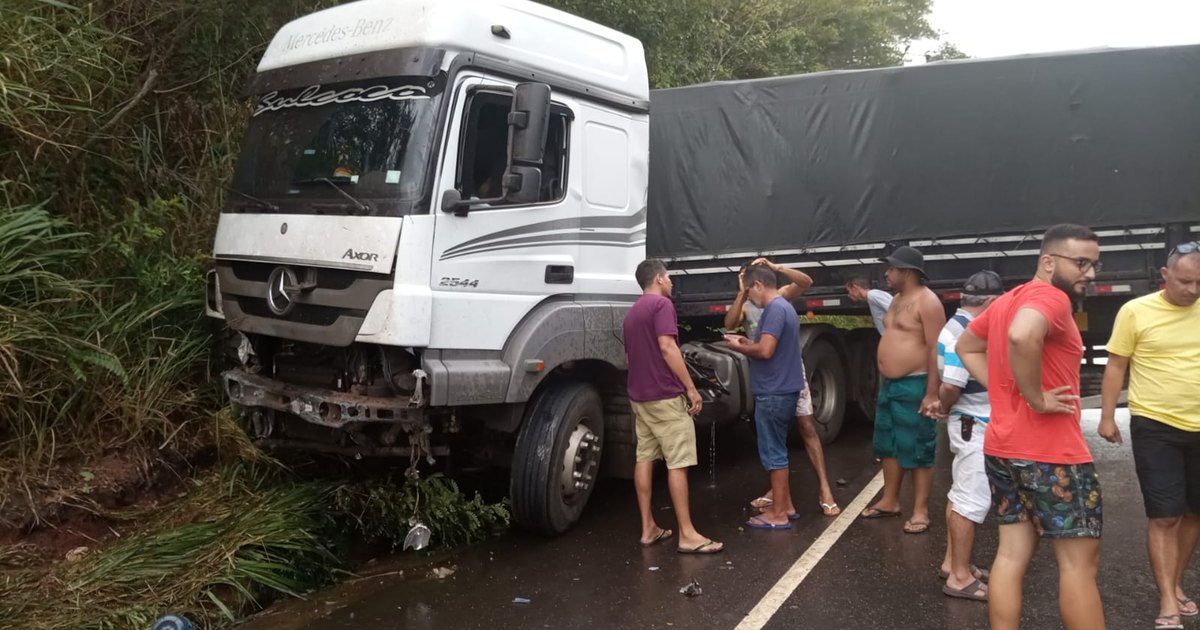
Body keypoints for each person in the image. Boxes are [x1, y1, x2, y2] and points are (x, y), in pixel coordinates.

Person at [955, 224, 1105, 630]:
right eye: (1080, 263)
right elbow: (1023, 336)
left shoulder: (1007, 300)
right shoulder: (1050, 298)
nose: (1089, 273)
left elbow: (965, 346)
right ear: (1048, 261)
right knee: (1078, 567)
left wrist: (1004, 390)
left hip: (1003, 448)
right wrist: (1036, 398)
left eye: (1093, 263)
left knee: (1009, 557)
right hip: (1052, 453)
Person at [1098, 242, 1200, 630]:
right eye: (1185, 281)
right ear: (1165, 275)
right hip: (1156, 424)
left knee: (1194, 513)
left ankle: (1174, 583)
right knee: (1164, 516)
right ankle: (1167, 600)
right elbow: (1116, 365)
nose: (1192, 290)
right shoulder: (1135, 311)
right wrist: (1107, 417)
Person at [622, 259, 724, 554]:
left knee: (644, 457)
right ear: (657, 278)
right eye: (668, 277)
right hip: (665, 396)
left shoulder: (632, 313)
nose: (672, 282)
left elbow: (631, 358)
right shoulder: (661, 306)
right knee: (678, 463)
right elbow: (667, 347)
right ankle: (688, 535)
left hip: (639, 397)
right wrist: (691, 388)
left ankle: (648, 528)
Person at [725, 258, 840, 517]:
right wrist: (741, 292)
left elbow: (805, 281)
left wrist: (775, 268)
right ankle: (780, 496)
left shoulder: (779, 298)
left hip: (787, 369)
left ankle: (825, 489)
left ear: (759, 282)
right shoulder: (748, 304)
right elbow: (730, 323)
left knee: (806, 427)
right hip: (769, 370)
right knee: (774, 435)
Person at [860, 246, 947, 535]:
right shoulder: (897, 299)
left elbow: (937, 348)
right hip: (890, 385)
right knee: (888, 443)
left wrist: (933, 392)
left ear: (907, 272)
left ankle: (920, 510)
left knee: (919, 446)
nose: (886, 273)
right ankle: (890, 500)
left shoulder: (928, 302)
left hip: (916, 383)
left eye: (892, 269)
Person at [937, 270, 1004, 602]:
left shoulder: (955, 325)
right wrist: (943, 405)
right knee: (971, 500)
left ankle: (954, 564)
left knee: (959, 493)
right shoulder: (967, 332)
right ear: (991, 302)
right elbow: (951, 384)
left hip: (968, 421)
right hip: (973, 422)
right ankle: (960, 578)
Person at [724, 265, 806, 530]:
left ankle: (778, 514)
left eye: (748, 293)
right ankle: (788, 505)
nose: (749, 298)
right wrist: (749, 343)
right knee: (778, 450)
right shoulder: (785, 307)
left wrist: (740, 347)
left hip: (773, 391)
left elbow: (767, 351)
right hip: (784, 388)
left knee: (774, 455)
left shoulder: (773, 310)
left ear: (759, 284)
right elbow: (770, 346)